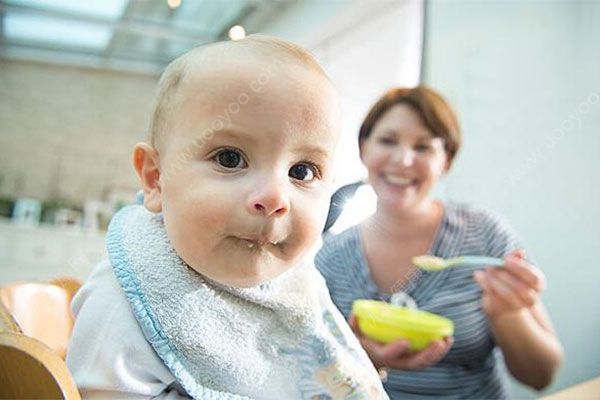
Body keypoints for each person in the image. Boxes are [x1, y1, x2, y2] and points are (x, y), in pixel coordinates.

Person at [66, 35, 388, 399]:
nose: (274, 197)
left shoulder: (295, 289)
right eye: (230, 158)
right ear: (157, 178)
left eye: (301, 171)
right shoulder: (129, 301)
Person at [315, 86, 563, 399]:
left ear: (446, 161)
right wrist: (368, 361)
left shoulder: (485, 235)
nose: (404, 160)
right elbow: (313, 377)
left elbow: (541, 376)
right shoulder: (330, 259)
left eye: (423, 147)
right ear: (364, 149)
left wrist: (507, 313)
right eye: (388, 141)